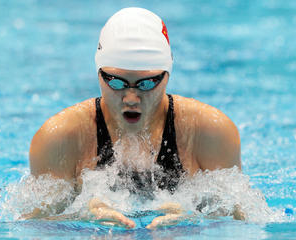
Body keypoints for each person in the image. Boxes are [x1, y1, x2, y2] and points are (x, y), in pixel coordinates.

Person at [26, 7, 242, 228]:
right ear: (98, 72)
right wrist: (81, 219)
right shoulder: (61, 137)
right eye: (115, 81)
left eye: (147, 83)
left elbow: (244, 220)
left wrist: (194, 221)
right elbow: (32, 226)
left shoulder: (209, 132)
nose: (130, 98)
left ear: (167, 75)